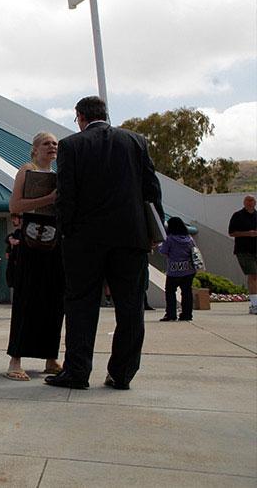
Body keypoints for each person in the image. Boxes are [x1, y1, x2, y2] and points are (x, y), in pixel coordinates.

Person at [48, 96, 163, 391]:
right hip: (130, 238)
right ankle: (122, 373)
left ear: (80, 116)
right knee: (131, 307)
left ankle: (77, 372)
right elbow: (151, 190)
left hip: (85, 241)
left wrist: (66, 232)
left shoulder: (71, 146)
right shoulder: (135, 142)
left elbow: (66, 195)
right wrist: (152, 232)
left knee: (81, 305)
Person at [4, 133, 65, 382]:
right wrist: (48, 199)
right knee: (27, 297)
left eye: (55, 144)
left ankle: (51, 358)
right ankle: (15, 359)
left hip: (56, 243)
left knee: (54, 299)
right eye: (47, 143)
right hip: (32, 242)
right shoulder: (27, 170)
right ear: (35, 148)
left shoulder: (61, 173)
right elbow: (14, 206)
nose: (52, 147)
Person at [158, 217, 198, 322]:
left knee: (170, 292)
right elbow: (193, 251)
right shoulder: (189, 238)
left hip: (174, 270)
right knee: (186, 292)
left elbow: (163, 251)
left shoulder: (170, 239)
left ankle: (171, 314)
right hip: (189, 270)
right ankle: (187, 314)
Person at [228, 195, 257, 315]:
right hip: (244, 251)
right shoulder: (238, 216)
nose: (250, 203)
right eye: (247, 201)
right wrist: (247, 233)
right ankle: (254, 304)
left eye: (252, 201)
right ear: (244, 202)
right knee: (253, 275)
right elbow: (231, 232)